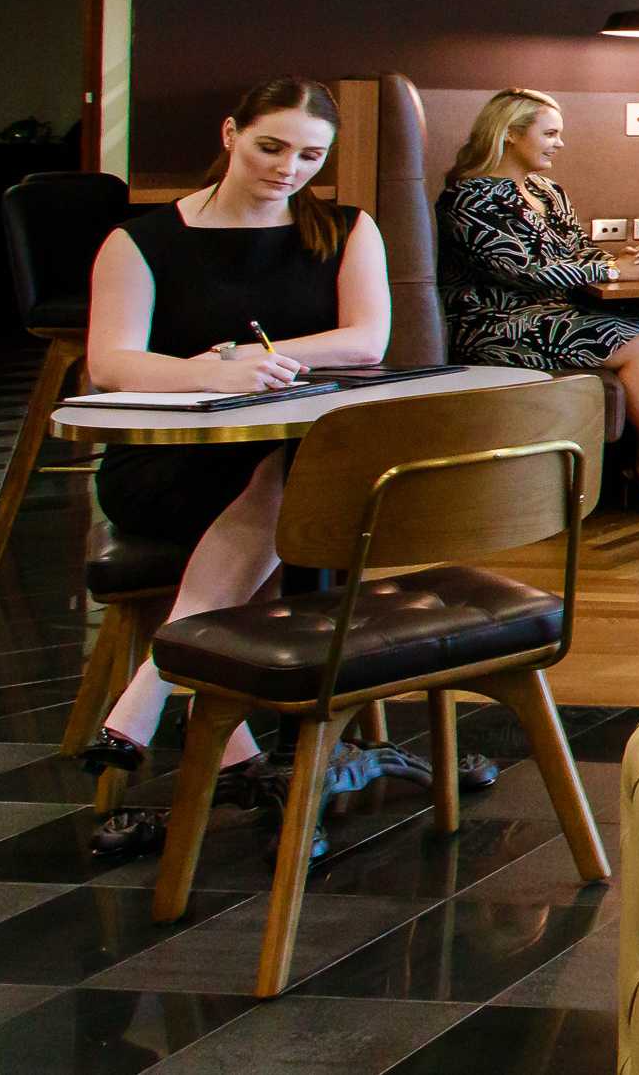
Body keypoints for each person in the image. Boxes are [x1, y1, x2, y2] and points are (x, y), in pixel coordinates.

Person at [73, 77, 463, 858]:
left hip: (288, 466)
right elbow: (111, 362)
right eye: (271, 147)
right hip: (167, 467)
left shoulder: (346, 230)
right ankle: (215, 724)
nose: (289, 168)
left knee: (301, 466)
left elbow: (366, 341)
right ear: (230, 134)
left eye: (310, 156)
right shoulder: (140, 241)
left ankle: (170, 696)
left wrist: (259, 358)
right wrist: (214, 372)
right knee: (302, 483)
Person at [437, 88, 639, 512]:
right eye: (550, 134)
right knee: (636, 341)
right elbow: (525, 271)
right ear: (510, 134)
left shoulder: (547, 191)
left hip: (556, 316)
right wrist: (611, 272)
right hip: (496, 323)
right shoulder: (469, 199)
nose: (559, 143)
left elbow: (578, 250)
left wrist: (619, 260)